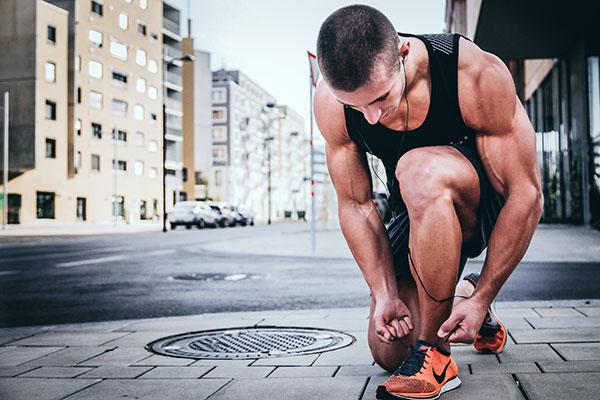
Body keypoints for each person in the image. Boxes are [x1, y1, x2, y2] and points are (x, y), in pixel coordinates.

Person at [314, 5, 543, 400]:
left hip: (478, 203)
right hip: (415, 208)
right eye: (356, 107)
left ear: (403, 54)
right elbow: (356, 205)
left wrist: (490, 290)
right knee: (388, 349)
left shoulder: (470, 72)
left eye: (381, 98)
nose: (370, 117)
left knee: (417, 169)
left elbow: (526, 194)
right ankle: (462, 298)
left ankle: (435, 356)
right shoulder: (332, 102)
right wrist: (383, 292)